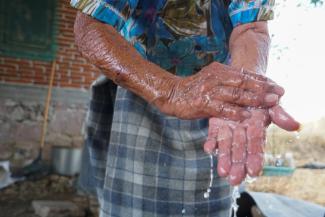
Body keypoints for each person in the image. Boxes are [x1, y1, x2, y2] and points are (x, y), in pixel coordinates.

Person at [71, 0, 300, 216]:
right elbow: (91, 26)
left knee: (214, 200)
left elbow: (250, 27)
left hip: (218, 100)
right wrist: (171, 92)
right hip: (143, 85)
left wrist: (245, 89)